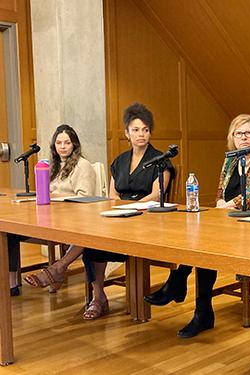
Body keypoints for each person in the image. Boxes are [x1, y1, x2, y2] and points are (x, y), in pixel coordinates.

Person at [144, 114, 250, 338]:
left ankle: (182, 288)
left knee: (206, 243)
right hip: (228, 221)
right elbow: (221, 190)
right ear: (232, 137)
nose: (244, 138)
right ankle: (199, 308)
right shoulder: (231, 159)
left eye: (249, 133)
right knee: (202, 241)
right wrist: (220, 204)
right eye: (239, 134)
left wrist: (224, 207)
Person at [81, 103, 173, 320]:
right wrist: (117, 209)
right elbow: (112, 194)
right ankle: (98, 295)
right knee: (90, 243)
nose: (141, 134)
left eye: (145, 129)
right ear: (126, 133)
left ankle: (62, 269)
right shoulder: (120, 161)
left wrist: (131, 206)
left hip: (145, 220)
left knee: (92, 242)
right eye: (136, 130)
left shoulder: (161, 159)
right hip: (118, 217)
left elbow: (157, 194)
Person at [14, 125, 96, 295]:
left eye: (67, 142)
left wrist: (55, 197)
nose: (63, 146)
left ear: (74, 144)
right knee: (11, 232)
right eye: (59, 142)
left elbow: (86, 198)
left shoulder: (83, 165)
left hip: (78, 219)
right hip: (55, 217)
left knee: (82, 234)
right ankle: (12, 283)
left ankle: (57, 269)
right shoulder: (53, 166)